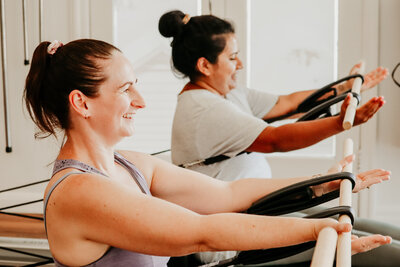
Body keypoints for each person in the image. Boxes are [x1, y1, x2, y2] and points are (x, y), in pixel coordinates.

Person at [23, 39, 391, 267]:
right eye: (125, 90)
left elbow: (228, 194)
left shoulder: (131, 163)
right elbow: (201, 233)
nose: (141, 101)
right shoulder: (79, 192)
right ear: (81, 103)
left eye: (137, 86)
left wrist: (324, 183)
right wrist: (316, 229)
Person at [158, 10, 398, 265]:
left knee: (379, 230)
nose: (240, 64)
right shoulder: (203, 109)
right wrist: (341, 122)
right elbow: (276, 139)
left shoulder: (226, 93)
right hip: (233, 239)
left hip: (263, 210)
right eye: (232, 57)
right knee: (381, 253)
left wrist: (342, 89)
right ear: (205, 65)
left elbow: (287, 103)